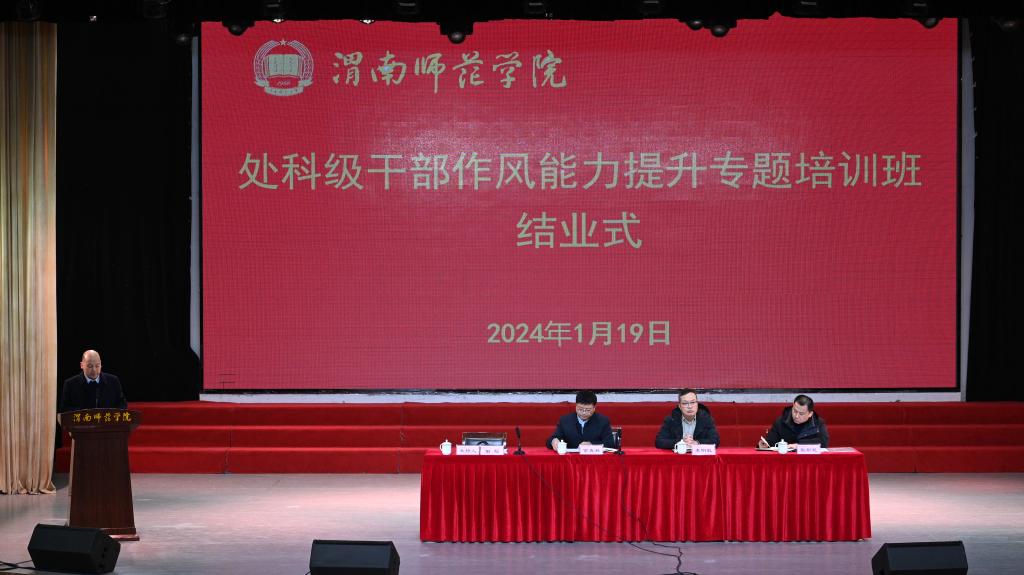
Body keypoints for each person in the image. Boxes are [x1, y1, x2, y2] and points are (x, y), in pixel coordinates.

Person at [60, 350, 127, 412]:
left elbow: (122, 404)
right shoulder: (70, 384)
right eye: (90, 366)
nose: (94, 370)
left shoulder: (113, 381)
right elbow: (64, 409)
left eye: (97, 366)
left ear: (101, 365)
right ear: (81, 365)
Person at [547, 391, 615, 450]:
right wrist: (554, 441)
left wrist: (592, 444)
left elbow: (610, 443)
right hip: (570, 458)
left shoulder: (603, 421)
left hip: (594, 458)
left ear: (594, 408)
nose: (584, 413)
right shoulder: (565, 421)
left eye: (588, 410)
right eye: (580, 409)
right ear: (576, 406)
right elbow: (551, 439)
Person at [655, 388, 721, 449]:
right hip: (678, 456)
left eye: (692, 402)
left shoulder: (706, 419)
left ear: (697, 404)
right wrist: (680, 442)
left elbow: (715, 441)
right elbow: (659, 441)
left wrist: (697, 443)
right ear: (680, 406)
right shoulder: (671, 420)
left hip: (699, 456)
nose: (689, 406)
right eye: (685, 403)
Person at [758, 394, 829, 447]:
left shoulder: (818, 422)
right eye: (795, 411)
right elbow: (770, 441)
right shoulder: (781, 421)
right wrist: (764, 444)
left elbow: (823, 443)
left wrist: (799, 445)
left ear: (810, 414)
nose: (796, 416)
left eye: (801, 414)